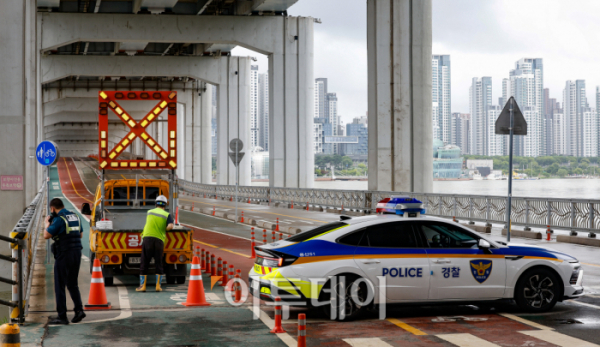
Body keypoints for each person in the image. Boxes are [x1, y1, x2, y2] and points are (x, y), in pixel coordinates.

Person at [44, 198, 86, 325]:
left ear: (52, 209)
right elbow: (81, 235)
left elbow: (46, 235)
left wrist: (47, 224)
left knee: (60, 285)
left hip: (64, 254)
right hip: (77, 253)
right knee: (72, 283)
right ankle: (79, 310)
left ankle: (62, 316)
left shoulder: (58, 219)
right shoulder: (75, 216)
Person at [137, 195, 174, 292]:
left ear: (155, 204)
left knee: (144, 262)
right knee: (159, 263)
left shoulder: (149, 212)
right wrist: (164, 229)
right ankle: (158, 286)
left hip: (147, 239)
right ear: (165, 205)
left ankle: (143, 286)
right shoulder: (167, 215)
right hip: (159, 241)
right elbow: (171, 226)